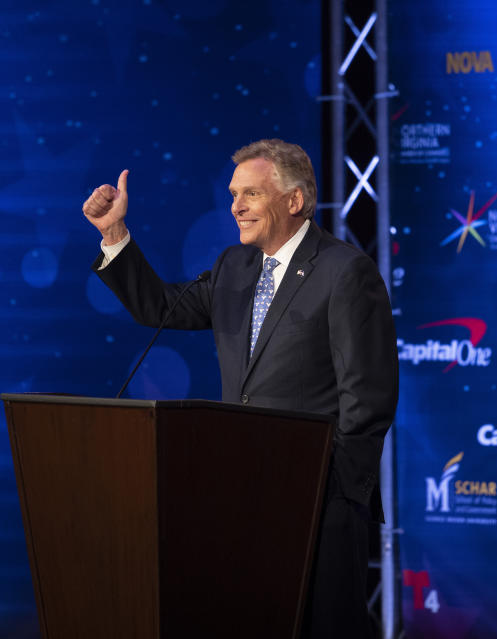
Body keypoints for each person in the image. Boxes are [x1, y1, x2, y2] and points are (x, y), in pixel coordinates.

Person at [82, 139, 398, 639]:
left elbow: (369, 396)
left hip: (319, 503)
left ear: (293, 201)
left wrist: (328, 486)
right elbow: (161, 309)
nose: (236, 207)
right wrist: (115, 234)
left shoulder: (344, 271)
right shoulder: (235, 266)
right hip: (241, 499)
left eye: (250, 193)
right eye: (233, 194)